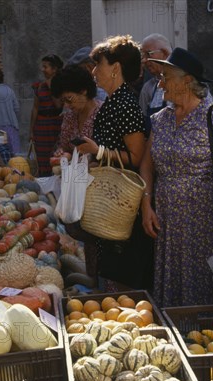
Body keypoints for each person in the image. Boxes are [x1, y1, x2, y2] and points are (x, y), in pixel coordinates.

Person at [139, 47, 213, 307]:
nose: (160, 83)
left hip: (203, 219)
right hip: (166, 218)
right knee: (170, 277)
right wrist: (146, 205)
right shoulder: (160, 119)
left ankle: (202, 335)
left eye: (166, 77)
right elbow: (147, 167)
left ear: (187, 81)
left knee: (202, 279)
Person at [75, 35, 149, 291]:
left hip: (121, 206)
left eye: (99, 65)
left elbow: (137, 157)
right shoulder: (113, 103)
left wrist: (99, 151)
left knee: (122, 274)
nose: (94, 71)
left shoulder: (125, 104)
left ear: (115, 68)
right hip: (110, 203)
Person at [50, 65, 102, 155]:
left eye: (69, 99)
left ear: (83, 90)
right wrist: (61, 153)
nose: (66, 105)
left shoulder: (104, 112)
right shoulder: (69, 117)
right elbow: (64, 147)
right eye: (63, 101)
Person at [30, 54, 64, 176]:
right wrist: (31, 130)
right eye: (42, 67)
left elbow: (59, 106)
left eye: (45, 67)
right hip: (41, 126)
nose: (42, 70)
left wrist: (51, 87)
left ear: (54, 69)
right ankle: (43, 179)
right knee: (42, 156)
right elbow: (35, 108)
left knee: (55, 154)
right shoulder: (38, 87)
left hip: (56, 125)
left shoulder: (61, 85)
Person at [138, 34, 172, 135]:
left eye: (148, 54)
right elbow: (142, 122)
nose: (144, 60)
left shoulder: (189, 84)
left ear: (165, 53)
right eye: (143, 55)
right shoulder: (148, 88)